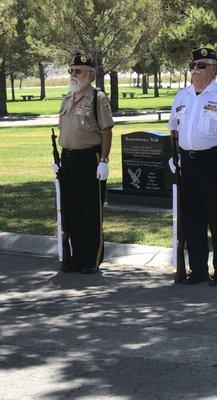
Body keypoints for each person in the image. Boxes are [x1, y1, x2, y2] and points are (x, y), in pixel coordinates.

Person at [168, 48, 217, 286]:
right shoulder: (182, 96)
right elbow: (174, 127)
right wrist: (177, 154)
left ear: (214, 69)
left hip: (215, 163)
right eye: (193, 65)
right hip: (188, 164)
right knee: (193, 219)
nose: (195, 70)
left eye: (202, 65)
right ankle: (198, 270)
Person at [53, 53, 114, 274]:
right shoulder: (67, 98)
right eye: (70, 70)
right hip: (68, 160)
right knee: (72, 212)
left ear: (90, 75)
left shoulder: (98, 98)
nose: (72, 74)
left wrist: (104, 161)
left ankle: (91, 259)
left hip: (90, 160)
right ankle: (76, 256)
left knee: (90, 211)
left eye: (77, 71)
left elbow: (106, 131)